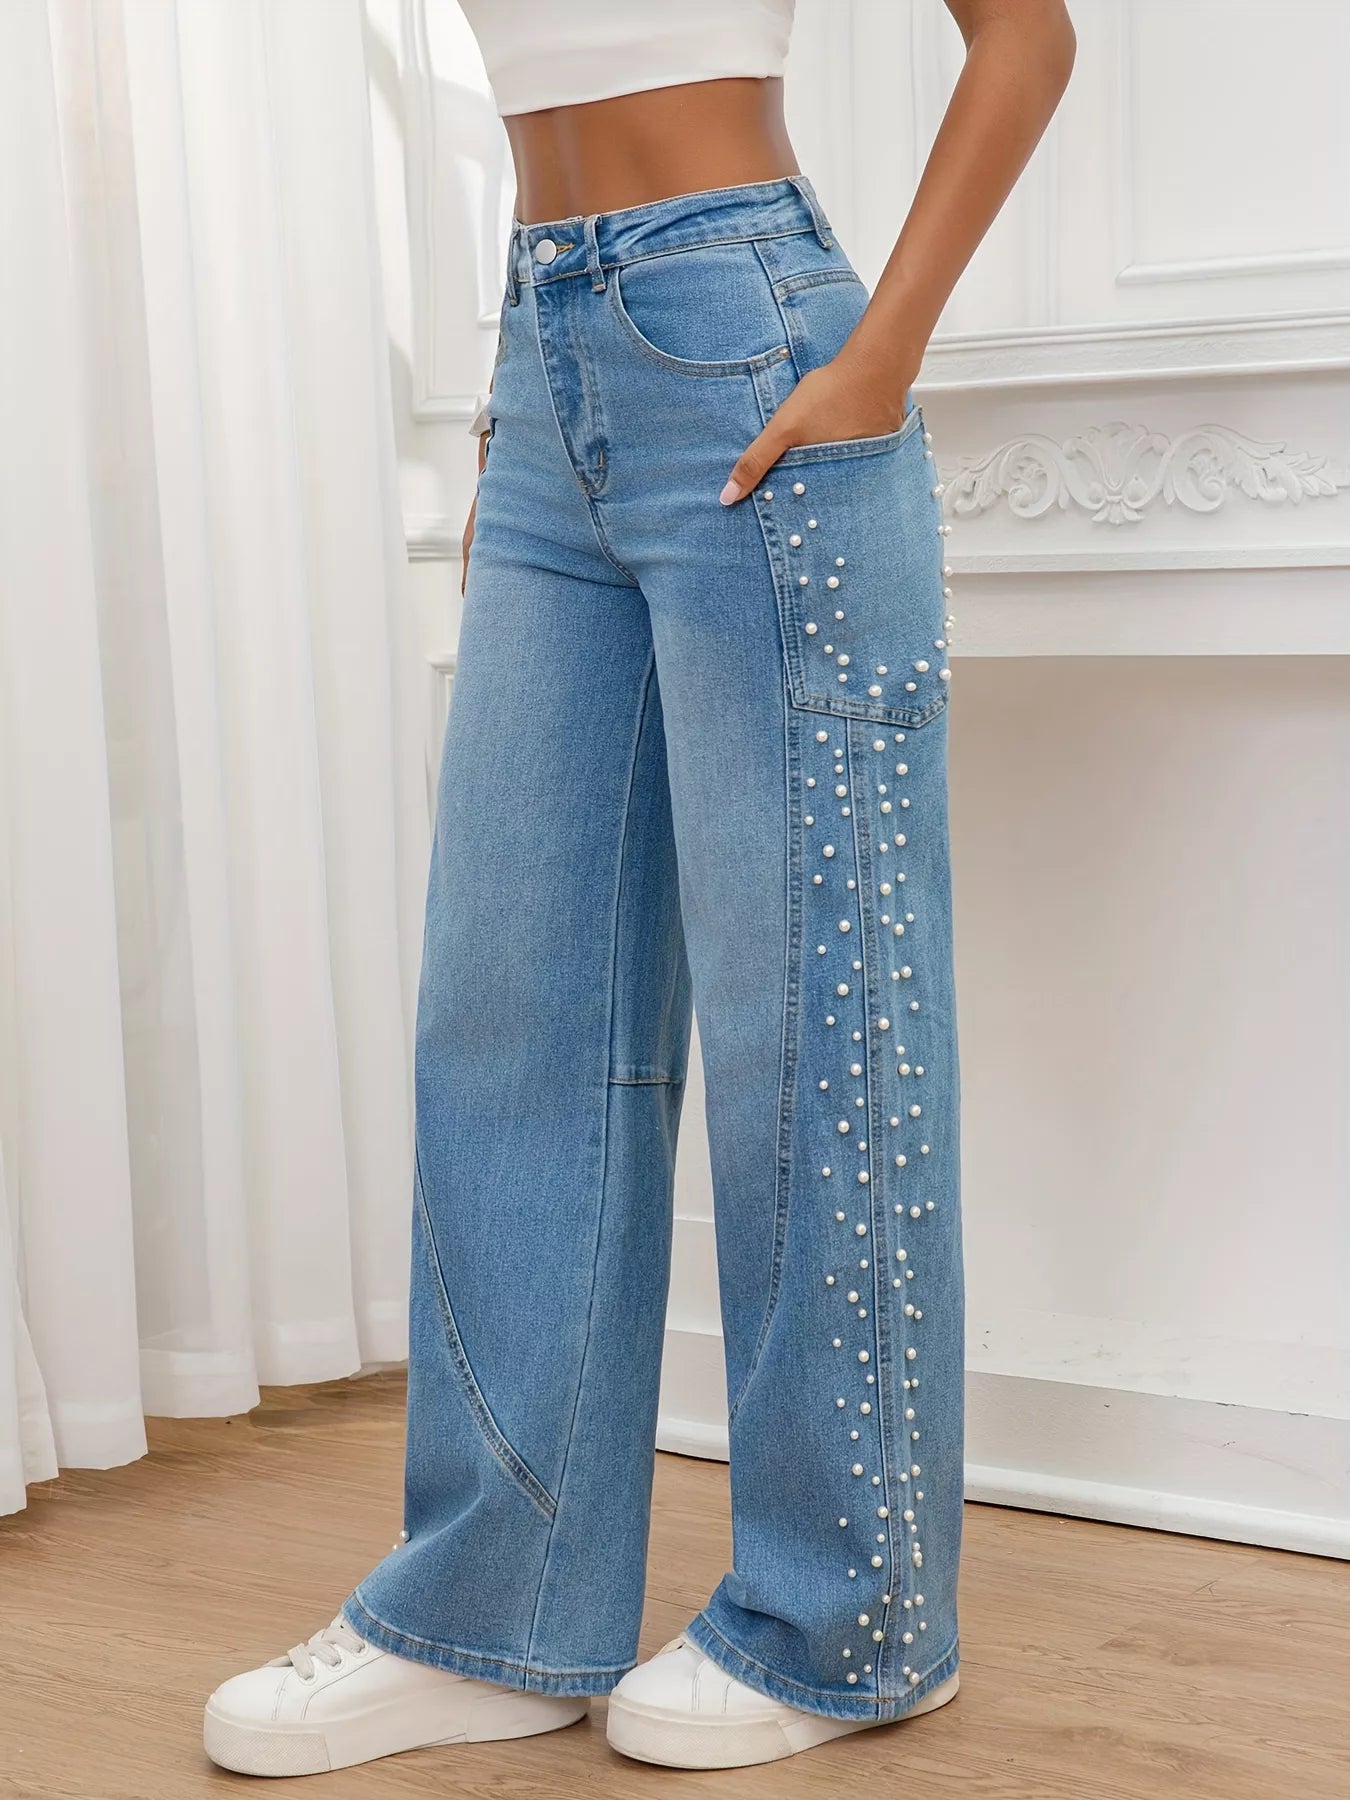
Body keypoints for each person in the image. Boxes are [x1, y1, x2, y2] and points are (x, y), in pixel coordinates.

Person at [203, 0, 1074, 1776]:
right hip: (547, 360)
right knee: (508, 1012)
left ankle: (852, 1624)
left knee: (810, 1019)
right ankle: (492, 1612)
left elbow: (1027, 36)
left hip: (750, 339)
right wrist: (527, 395)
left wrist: (880, 360)